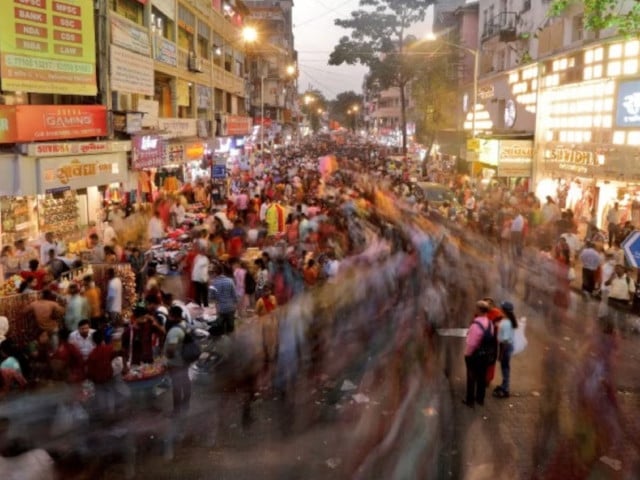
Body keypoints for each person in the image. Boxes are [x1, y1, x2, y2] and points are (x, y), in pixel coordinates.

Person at [463, 300, 494, 408]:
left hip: (474, 355)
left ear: (479, 310)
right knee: (481, 377)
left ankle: (470, 400)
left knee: (471, 378)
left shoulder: (475, 324)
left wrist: (467, 354)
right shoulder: (490, 323)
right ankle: (480, 399)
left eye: (476, 308)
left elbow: (471, 343)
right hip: (485, 355)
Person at [164, 305, 191, 416]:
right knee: (185, 383)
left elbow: (171, 348)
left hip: (177, 363)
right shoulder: (185, 325)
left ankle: (177, 411)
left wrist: (168, 358)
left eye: (169, 316)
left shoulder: (175, 331)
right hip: (185, 360)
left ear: (172, 316)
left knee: (176, 387)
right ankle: (186, 406)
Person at [493, 301, 517, 399]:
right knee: (505, 367)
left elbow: (505, 340)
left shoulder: (506, 323)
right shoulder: (508, 320)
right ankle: (504, 385)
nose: (500, 309)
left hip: (505, 348)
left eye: (501, 308)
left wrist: (501, 354)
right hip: (507, 347)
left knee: (505, 368)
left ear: (504, 311)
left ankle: (505, 389)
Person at [604, 264, 636, 336]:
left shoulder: (629, 280)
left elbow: (632, 292)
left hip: (623, 302)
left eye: (618, 268)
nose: (616, 270)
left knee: (622, 318)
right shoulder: (614, 278)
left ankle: (622, 332)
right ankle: (609, 329)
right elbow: (606, 284)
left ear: (623, 270)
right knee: (610, 316)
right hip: (612, 300)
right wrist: (611, 278)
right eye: (616, 268)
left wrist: (630, 302)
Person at [210, 264, 238, 334]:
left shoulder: (213, 283)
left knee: (220, 330)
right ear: (222, 271)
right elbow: (234, 295)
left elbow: (211, 297)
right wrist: (235, 306)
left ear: (215, 273)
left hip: (220, 309)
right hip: (230, 308)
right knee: (231, 329)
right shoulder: (230, 281)